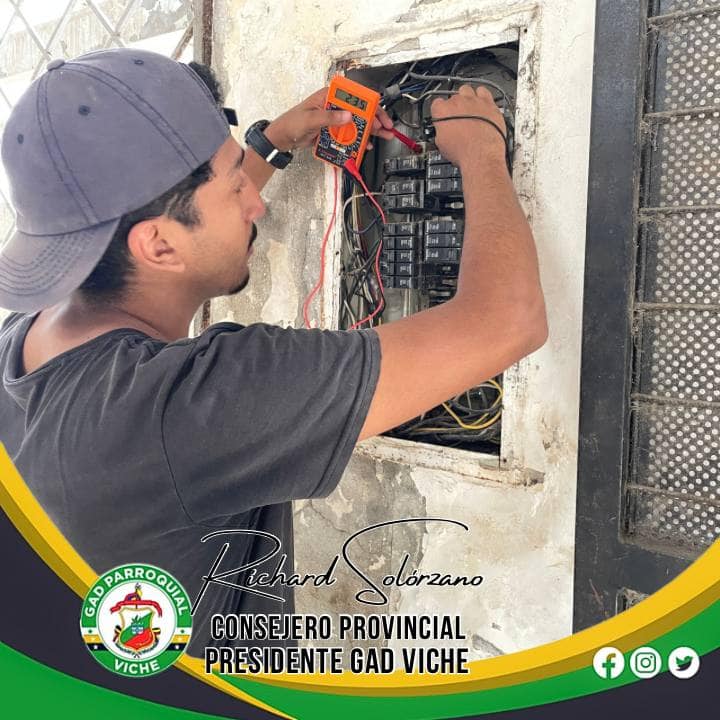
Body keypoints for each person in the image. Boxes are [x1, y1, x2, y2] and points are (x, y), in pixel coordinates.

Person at [0, 49, 547, 656]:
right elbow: (508, 320)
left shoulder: (24, 341)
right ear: (157, 246)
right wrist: (481, 150)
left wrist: (270, 144)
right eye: (237, 185)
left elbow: (177, 223)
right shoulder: (188, 406)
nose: (255, 203)